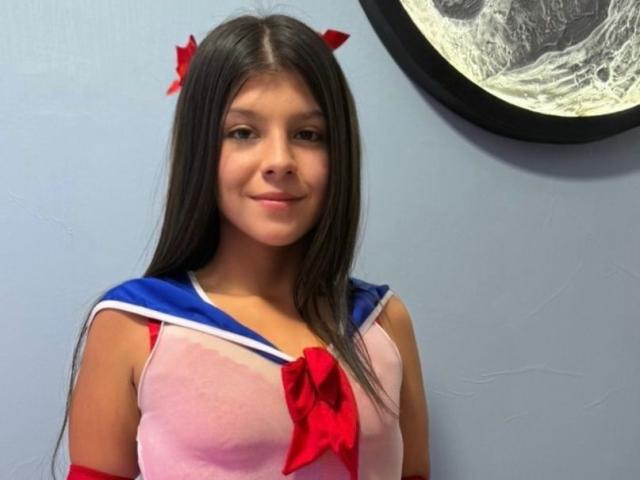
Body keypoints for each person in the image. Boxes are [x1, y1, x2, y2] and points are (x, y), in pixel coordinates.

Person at [52, 13, 430, 480]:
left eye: (308, 135)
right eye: (243, 132)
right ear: (200, 148)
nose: (279, 161)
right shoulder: (133, 325)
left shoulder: (384, 322)